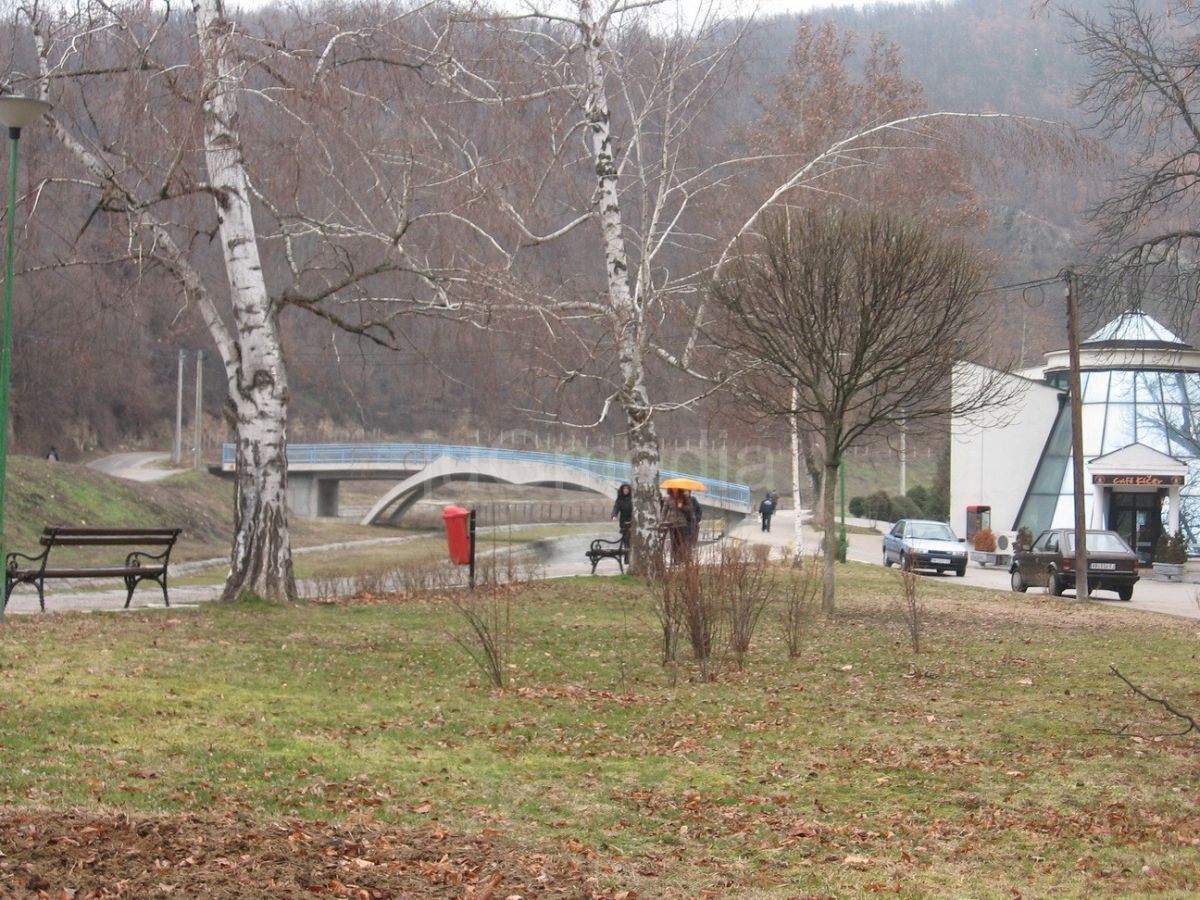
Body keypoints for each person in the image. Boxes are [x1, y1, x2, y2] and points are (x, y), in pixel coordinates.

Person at [611, 482, 633, 550]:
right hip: (624, 522)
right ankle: (627, 558)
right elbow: (616, 508)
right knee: (626, 542)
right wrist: (614, 516)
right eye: (624, 488)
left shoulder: (633, 498)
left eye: (627, 488)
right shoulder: (619, 499)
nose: (626, 490)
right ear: (622, 490)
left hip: (633, 522)